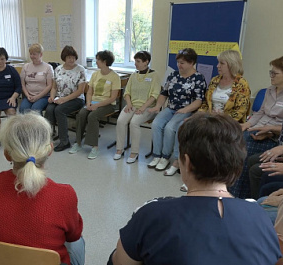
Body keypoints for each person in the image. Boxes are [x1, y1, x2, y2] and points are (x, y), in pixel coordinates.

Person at [108, 112, 281, 265]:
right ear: (238, 165)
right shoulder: (260, 216)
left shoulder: (152, 214)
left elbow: (120, 262)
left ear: (187, 163)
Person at [0, 112, 84, 265]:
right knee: (78, 242)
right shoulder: (64, 194)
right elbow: (73, 235)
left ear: (7, 155)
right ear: (50, 149)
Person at [147, 48, 206, 175]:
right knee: (156, 123)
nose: (179, 65)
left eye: (183, 63)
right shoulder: (173, 75)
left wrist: (185, 109)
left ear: (192, 63)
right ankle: (157, 155)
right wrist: (158, 106)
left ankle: (167, 157)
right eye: (178, 62)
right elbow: (164, 93)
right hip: (171, 108)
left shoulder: (198, 78)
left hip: (187, 110)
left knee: (170, 127)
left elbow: (199, 100)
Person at [230, 56, 283, 198]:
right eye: (270, 72)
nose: (271, 76)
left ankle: (239, 195)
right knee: (232, 139)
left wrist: (269, 130)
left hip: (273, 138)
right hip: (258, 128)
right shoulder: (270, 90)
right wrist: (245, 125)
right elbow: (259, 113)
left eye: (275, 73)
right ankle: (228, 190)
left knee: (243, 148)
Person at [69, 50, 120, 160]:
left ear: (105, 61)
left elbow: (113, 98)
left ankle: (94, 147)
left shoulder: (115, 77)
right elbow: (89, 92)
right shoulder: (95, 74)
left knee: (93, 116)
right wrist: (88, 103)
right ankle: (78, 143)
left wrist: (96, 106)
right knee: (82, 113)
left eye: (98, 60)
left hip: (108, 104)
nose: (96, 62)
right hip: (93, 102)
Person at [114, 51, 160, 163]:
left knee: (134, 123)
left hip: (148, 108)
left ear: (146, 62)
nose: (135, 64)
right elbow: (127, 92)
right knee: (120, 121)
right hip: (132, 105)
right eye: (135, 61)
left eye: (138, 61)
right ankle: (119, 149)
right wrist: (129, 104)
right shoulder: (134, 75)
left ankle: (134, 152)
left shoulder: (154, 75)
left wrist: (143, 107)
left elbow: (154, 95)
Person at [44, 45, 86, 152]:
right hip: (60, 98)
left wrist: (64, 100)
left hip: (76, 99)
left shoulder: (80, 70)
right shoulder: (58, 69)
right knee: (49, 109)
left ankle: (64, 141)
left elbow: (80, 91)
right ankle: (47, 139)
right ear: (64, 58)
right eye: (68, 58)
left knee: (59, 110)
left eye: (73, 57)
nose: (71, 60)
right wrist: (52, 96)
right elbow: (54, 87)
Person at [198, 50, 250, 122]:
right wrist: (199, 116)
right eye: (218, 62)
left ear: (232, 65)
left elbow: (240, 111)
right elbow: (206, 103)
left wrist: (220, 118)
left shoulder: (241, 83)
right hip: (210, 119)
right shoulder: (215, 80)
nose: (218, 66)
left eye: (222, 63)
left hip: (228, 123)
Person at [20, 43, 53, 113]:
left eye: (34, 54)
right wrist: (27, 95)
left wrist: (37, 97)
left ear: (40, 54)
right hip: (29, 96)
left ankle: (39, 124)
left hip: (43, 96)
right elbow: (22, 84)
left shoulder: (48, 67)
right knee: (23, 109)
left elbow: (49, 85)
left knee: (35, 109)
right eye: (30, 54)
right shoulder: (26, 67)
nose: (32, 56)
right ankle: (26, 124)